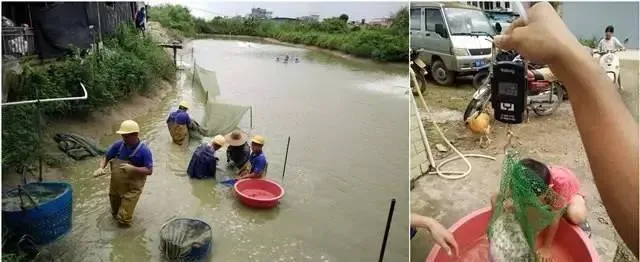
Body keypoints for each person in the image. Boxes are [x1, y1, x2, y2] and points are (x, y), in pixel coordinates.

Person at [495, 2, 638, 255]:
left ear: (545, 194)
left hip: (570, 196)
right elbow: (499, 199)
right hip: (545, 185)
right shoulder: (520, 180)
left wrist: (548, 248)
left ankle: (583, 228)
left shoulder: (555, 192)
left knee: (571, 214)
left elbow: (551, 217)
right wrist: (499, 206)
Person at [490, 159, 590, 260]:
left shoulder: (559, 187)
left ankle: (574, 205)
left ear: (547, 190)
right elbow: (495, 199)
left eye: (529, 200)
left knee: (575, 215)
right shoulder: (518, 181)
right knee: (511, 206)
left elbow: (554, 219)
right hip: (544, 186)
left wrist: (546, 247)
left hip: (568, 193)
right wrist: (495, 230)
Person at [92, 120, 153, 226]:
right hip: (116, 185)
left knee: (124, 219)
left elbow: (149, 171)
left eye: (126, 136)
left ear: (135, 135)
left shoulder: (144, 151)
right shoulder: (118, 145)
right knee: (114, 212)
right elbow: (107, 157)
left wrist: (133, 169)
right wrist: (101, 167)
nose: (124, 138)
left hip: (132, 188)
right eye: (123, 135)